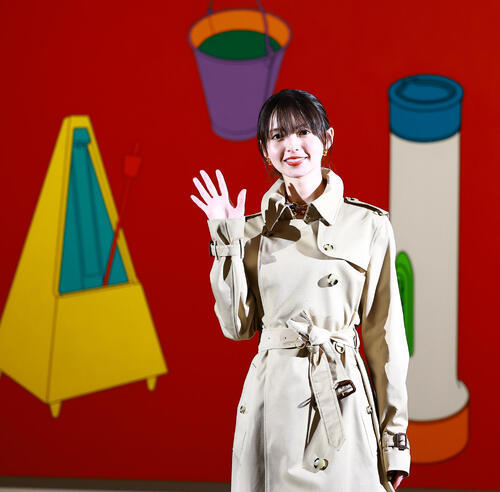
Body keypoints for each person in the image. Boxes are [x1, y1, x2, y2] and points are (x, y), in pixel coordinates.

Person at [190, 89, 410, 491]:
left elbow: (385, 338)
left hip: (342, 398)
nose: (291, 145)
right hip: (271, 401)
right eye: (278, 136)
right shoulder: (249, 230)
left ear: (327, 139)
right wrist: (225, 237)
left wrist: (394, 441)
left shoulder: (369, 225)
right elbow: (237, 328)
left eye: (303, 131)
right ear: (265, 150)